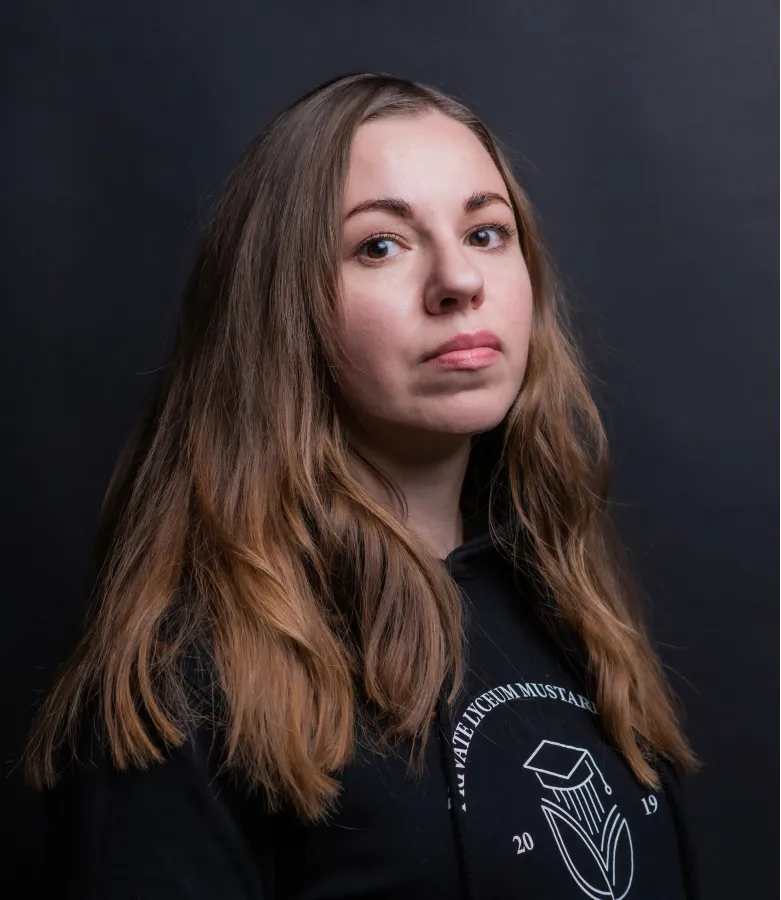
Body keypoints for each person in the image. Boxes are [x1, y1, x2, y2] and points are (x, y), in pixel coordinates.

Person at [23, 71, 701, 899]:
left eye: (486, 232)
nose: (458, 281)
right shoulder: (186, 686)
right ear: (285, 311)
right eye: (379, 245)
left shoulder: (567, 608)